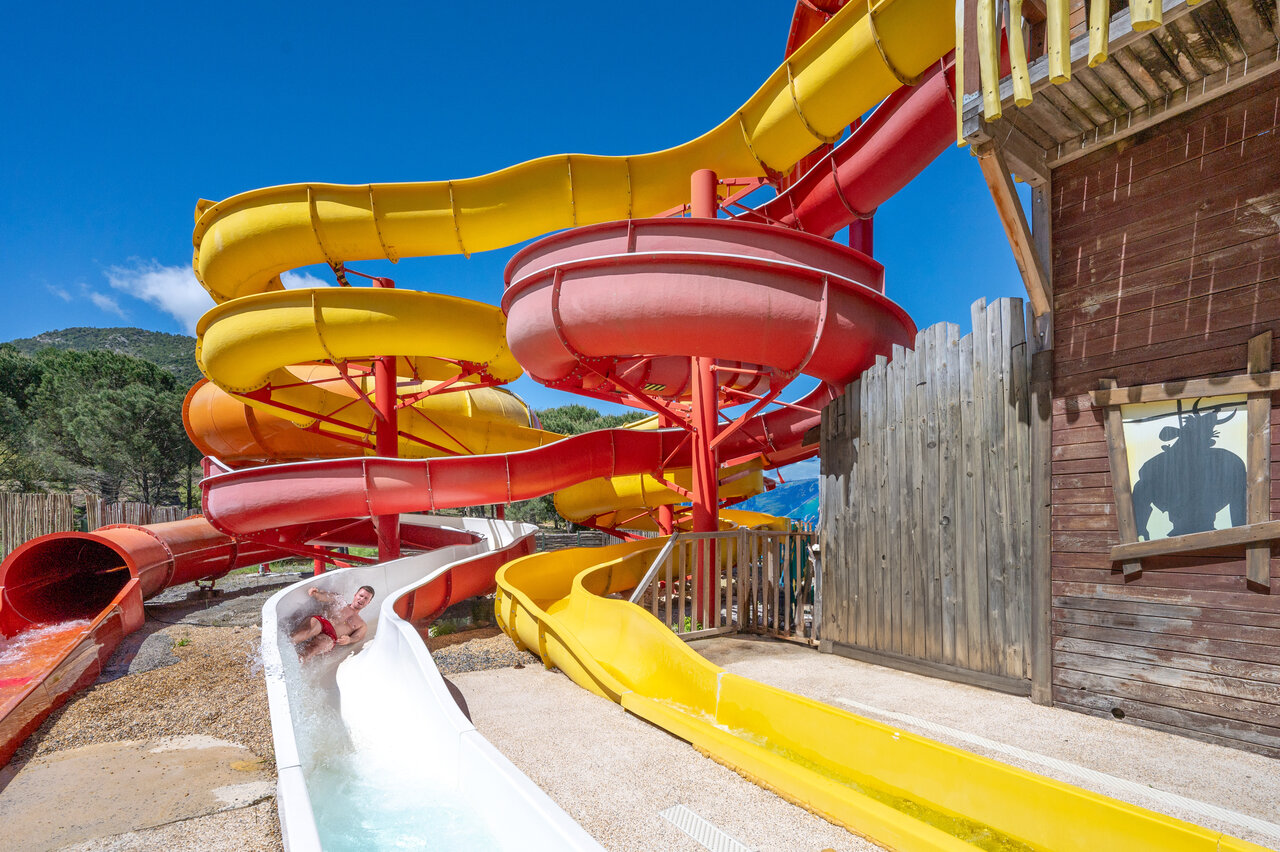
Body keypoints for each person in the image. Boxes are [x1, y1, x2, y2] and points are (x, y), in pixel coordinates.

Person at [290, 585, 375, 660]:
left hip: (331, 636)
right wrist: (315, 593)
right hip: (322, 622)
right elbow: (324, 597)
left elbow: (357, 637)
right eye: (361, 595)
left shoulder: (362, 625)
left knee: (319, 646)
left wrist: (349, 640)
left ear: (369, 602)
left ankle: (297, 661)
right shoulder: (340, 601)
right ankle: (287, 644)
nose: (362, 599)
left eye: (366, 598)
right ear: (355, 595)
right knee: (311, 629)